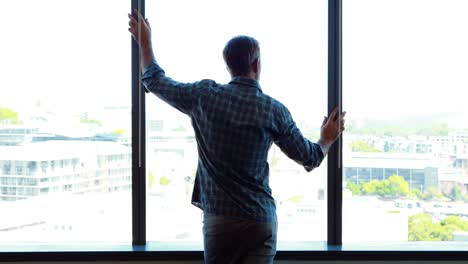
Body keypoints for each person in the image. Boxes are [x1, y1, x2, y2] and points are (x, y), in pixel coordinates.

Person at [128, 10, 345, 264]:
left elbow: (154, 80)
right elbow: (310, 157)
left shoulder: (204, 96)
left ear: (228, 65)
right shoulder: (273, 110)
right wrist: (326, 138)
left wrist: (145, 41)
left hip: (220, 221)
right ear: (256, 64)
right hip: (259, 220)